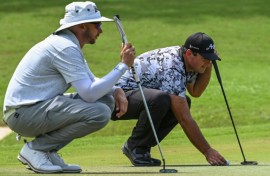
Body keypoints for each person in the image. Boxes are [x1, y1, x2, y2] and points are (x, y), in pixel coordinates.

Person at [3, 1, 135, 174]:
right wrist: (123, 65)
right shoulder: (65, 47)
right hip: (23, 114)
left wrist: (116, 90)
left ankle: (48, 152)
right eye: (97, 24)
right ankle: (37, 149)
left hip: (33, 109)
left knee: (106, 99)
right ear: (81, 26)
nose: (101, 30)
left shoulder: (68, 44)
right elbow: (88, 94)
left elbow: (90, 81)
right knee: (100, 113)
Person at [111, 32, 228, 166]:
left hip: (138, 98)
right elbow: (185, 119)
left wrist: (208, 66)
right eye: (205, 58)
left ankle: (140, 148)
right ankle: (136, 147)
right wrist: (208, 151)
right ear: (189, 53)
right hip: (116, 100)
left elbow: (195, 91)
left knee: (181, 102)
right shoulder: (172, 66)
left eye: (210, 58)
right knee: (161, 100)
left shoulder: (187, 61)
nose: (208, 62)